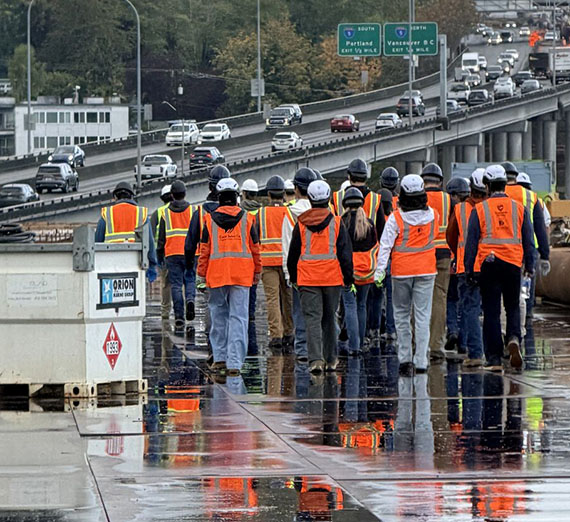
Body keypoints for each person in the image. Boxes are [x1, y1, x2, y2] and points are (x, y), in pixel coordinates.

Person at [464, 164, 536, 372]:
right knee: (512, 305)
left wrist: (470, 270)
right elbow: (528, 240)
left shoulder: (480, 209)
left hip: (489, 264)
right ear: (504, 184)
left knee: (492, 312)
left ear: (486, 185)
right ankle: (513, 337)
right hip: (513, 264)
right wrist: (529, 265)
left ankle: (494, 359)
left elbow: (471, 243)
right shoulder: (519, 208)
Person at [196, 178, 262, 376]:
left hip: (216, 274)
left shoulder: (208, 220)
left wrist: (201, 274)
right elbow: (256, 249)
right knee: (239, 319)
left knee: (218, 317)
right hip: (242, 275)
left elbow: (204, 251)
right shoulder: (248, 219)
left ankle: (219, 358)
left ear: (218, 197)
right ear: (236, 197)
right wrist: (257, 272)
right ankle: (234, 363)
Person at [287, 180, 353, 374]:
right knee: (330, 318)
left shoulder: (301, 224)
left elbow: (293, 254)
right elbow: (345, 254)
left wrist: (294, 277)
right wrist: (348, 279)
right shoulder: (337, 223)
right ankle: (331, 359)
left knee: (312, 319)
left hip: (307, 278)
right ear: (327, 198)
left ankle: (315, 360)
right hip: (332, 278)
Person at [374, 174, 438, 375]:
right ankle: (421, 361)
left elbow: (385, 246)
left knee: (401, 315)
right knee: (422, 316)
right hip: (427, 271)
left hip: (401, 272)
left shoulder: (396, 218)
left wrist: (379, 271)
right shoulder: (433, 216)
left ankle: (405, 359)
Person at [446, 169, 486, 368]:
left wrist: (457, 256)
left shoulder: (461, 209)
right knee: (490, 309)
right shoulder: (490, 208)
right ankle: (493, 351)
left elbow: (451, 237)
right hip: (492, 265)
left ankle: (473, 350)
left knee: (468, 309)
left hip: (466, 266)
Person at [504, 164, 551, 323]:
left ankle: (506, 324)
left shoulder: (494, 195)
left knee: (503, 290)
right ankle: (525, 319)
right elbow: (541, 227)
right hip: (528, 249)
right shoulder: (532, 197)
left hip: (501, 249)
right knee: (525, 287)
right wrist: (545, 255)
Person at [282, 167, 317, 362]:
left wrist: (289, 274)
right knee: (321, 313)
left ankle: (303, 350)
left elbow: (287, 247)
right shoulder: (324, 211)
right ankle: (320, 349)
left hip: (300, 271)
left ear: (296, 189)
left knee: (300, 312)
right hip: (323, 270)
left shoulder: (290, 214)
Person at [421, 163, 452, 364]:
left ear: (423, 180)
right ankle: (436, 346)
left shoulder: (417, 198)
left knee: (420, 300)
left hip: (422, 253)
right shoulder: (449, 199)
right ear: (440, 181)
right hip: (443, 253)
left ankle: (418, 346)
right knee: (440, 298)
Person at [340, 187, 378, 354]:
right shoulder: (369, 223)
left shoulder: (342, 222)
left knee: (350, 305)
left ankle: (353, 345)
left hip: (348, 271)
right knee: (362, 305)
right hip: (366, 272)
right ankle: (361, 343)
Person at [96, 181, 157, 282]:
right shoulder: (141, 213)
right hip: (136, 262)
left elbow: (97, 242)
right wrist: (152, 264)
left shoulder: (107, 213)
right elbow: (149, 242)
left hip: (111, 263)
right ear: (132, 197)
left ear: (115, 197)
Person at [259, 175, 294, 351]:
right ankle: (289, 331)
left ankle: (276, 335)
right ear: (283, 194)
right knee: (288, 298)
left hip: (267, 262)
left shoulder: (261, 213)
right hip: (286, 261)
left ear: (268, 194)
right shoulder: (289, 211)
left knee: (272, 299)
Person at [157, 180, 196, 332]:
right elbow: (197, 232)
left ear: (172, 195)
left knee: (176, 285)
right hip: (190, 252)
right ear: (185, 193)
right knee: (190, 279)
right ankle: (191, 301)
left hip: (172, 253)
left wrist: (160, 256)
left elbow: (161, 239)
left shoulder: (165, 213)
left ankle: (179, 316)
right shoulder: (193, 211)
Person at [444, 176, 471, 357]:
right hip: (465, 263)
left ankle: (452, 330)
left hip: (452, 261)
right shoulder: (471, 210)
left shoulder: (451, 211)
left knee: (451, 300)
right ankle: (464, 340)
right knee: (465, 304)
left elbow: (450, 236)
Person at [241, 178, 262, 354]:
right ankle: (251, 313)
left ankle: (246, 314)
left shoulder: (241, 213)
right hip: (258, 254)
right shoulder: (261, 212)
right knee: (253, 287)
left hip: (243, 255)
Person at [150, 184, 173, 320]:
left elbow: (151, 236)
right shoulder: (184, 210)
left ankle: (165, 311)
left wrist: (153, 257)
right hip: (181, 252)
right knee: (180, 283)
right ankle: (181, 308)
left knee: (166, 284)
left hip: (164, 253)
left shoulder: (158, 213)